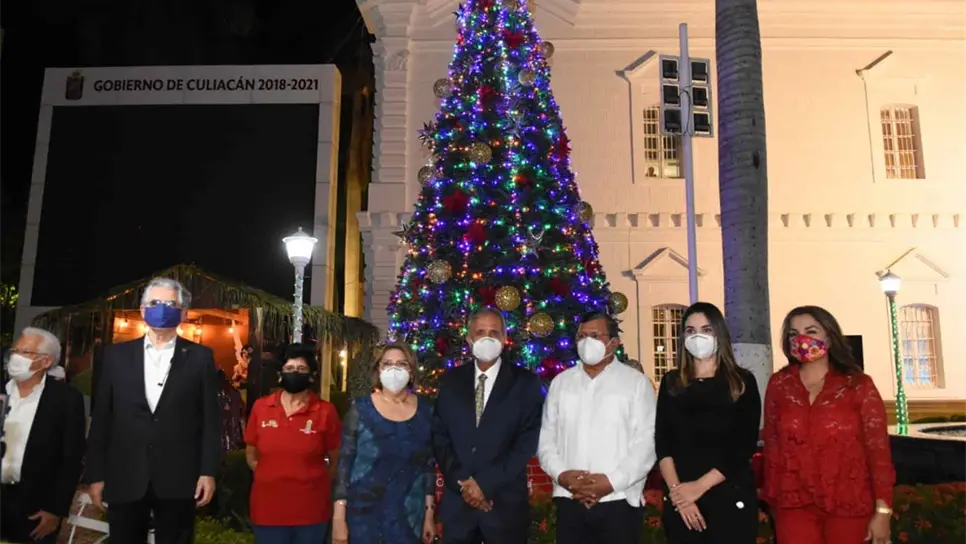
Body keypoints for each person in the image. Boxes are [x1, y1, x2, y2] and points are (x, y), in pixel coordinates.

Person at [86, 277, 222, 544]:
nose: (162, 309)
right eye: (155, 302)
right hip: (125, 475)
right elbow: (102, 419)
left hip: (178, 477)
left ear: (183, 312)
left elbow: (210, 420)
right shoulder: (115, 356)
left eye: (170, 304)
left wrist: (208, 471)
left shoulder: (200, 357)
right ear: (142, 310)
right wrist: (95, 474)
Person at [762, 306, 895, 544]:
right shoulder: (779, 385)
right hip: (793, 504)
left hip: (849, 502)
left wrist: (883, 510)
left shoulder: (858, 385)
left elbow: (878, 451)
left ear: (830, 337)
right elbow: (772, 445)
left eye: (811, 331)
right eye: (794, 334)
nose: (802, 339)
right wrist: (772, 500)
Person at [537, 311, 657, 544]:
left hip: (619, 501)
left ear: (614, 342)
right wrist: (563, 476)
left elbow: (647, 441)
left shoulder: (636, 384)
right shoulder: (561, 383)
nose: (587, 342)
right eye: (582, 336)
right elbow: (547, 438)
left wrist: (611, 482)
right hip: (570, 499)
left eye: (594, 336)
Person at [434, 308, 544, 544]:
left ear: (504, 338)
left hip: (504, 508)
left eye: (494, 333)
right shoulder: (450, 381)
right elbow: (440, 437)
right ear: (469, 339)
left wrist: (485, 485)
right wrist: (464, 485)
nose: (487, 338)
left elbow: (526, 441)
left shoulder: (525, 383)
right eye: (480, 332)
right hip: (458, 507)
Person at [653, 302, 761, 543]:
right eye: (690, 330)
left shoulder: (742, 382)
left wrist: (698, 487)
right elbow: (663, 444)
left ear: (719, 334)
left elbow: (743, 446)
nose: (697, 336)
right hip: (682, 500)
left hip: (729, 496)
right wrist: (679, 495)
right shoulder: (671, 383)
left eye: (706, 329)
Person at [332, 342, 436, 544]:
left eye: (402, 364)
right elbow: (344, 465)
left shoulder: (426, 411)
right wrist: (338, 517)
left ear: (411, 371)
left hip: (409, 517)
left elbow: (428, 466)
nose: (394, 369)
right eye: (387, 363)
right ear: (378, 370)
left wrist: (429, 513)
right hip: (363, 515)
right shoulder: (360, 409)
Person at [245, 344, 342, 543]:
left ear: (311, 375)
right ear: (280, 374)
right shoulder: (261, 407)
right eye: (289, 368)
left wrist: (310, 479)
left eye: (301, 369)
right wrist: (272, 474)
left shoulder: (325, 411)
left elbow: (336, 459)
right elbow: (251, 454)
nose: (294, 373)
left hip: (311, 511)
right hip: (267, 510)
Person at [0, 327, 85, 543]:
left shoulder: (66, 400)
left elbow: (71, 459)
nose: (16, 357)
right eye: (14, 351)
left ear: (46, 361)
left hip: (34, 508)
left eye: (26, 352)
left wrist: (56, 509)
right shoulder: (2, 391)